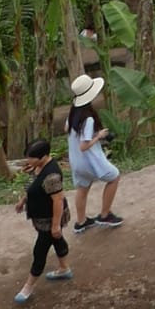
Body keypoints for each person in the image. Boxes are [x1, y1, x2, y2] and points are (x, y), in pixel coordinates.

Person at [13, 141, 74, 304]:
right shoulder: (38, 167)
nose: (28, 160)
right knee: (56, 239)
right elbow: (34, 186)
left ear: (43, 157)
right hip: (41, 216)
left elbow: (58, 200)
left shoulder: (52, 175)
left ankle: (28, 286)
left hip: (50, 218)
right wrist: (23, 200)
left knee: (40, 250)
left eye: (31, 158)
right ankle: (64, 269)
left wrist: (55, 225)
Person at [64, 73, 121, 229]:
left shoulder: (73, 113)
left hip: (76, 161)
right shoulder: (88, 118)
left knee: (82, 188)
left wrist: (92, 135)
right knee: (114, 177)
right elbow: (84, 146)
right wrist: (99, 136)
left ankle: (81, 222)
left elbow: (67, 129)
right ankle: (104, 214)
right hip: (89, 161)